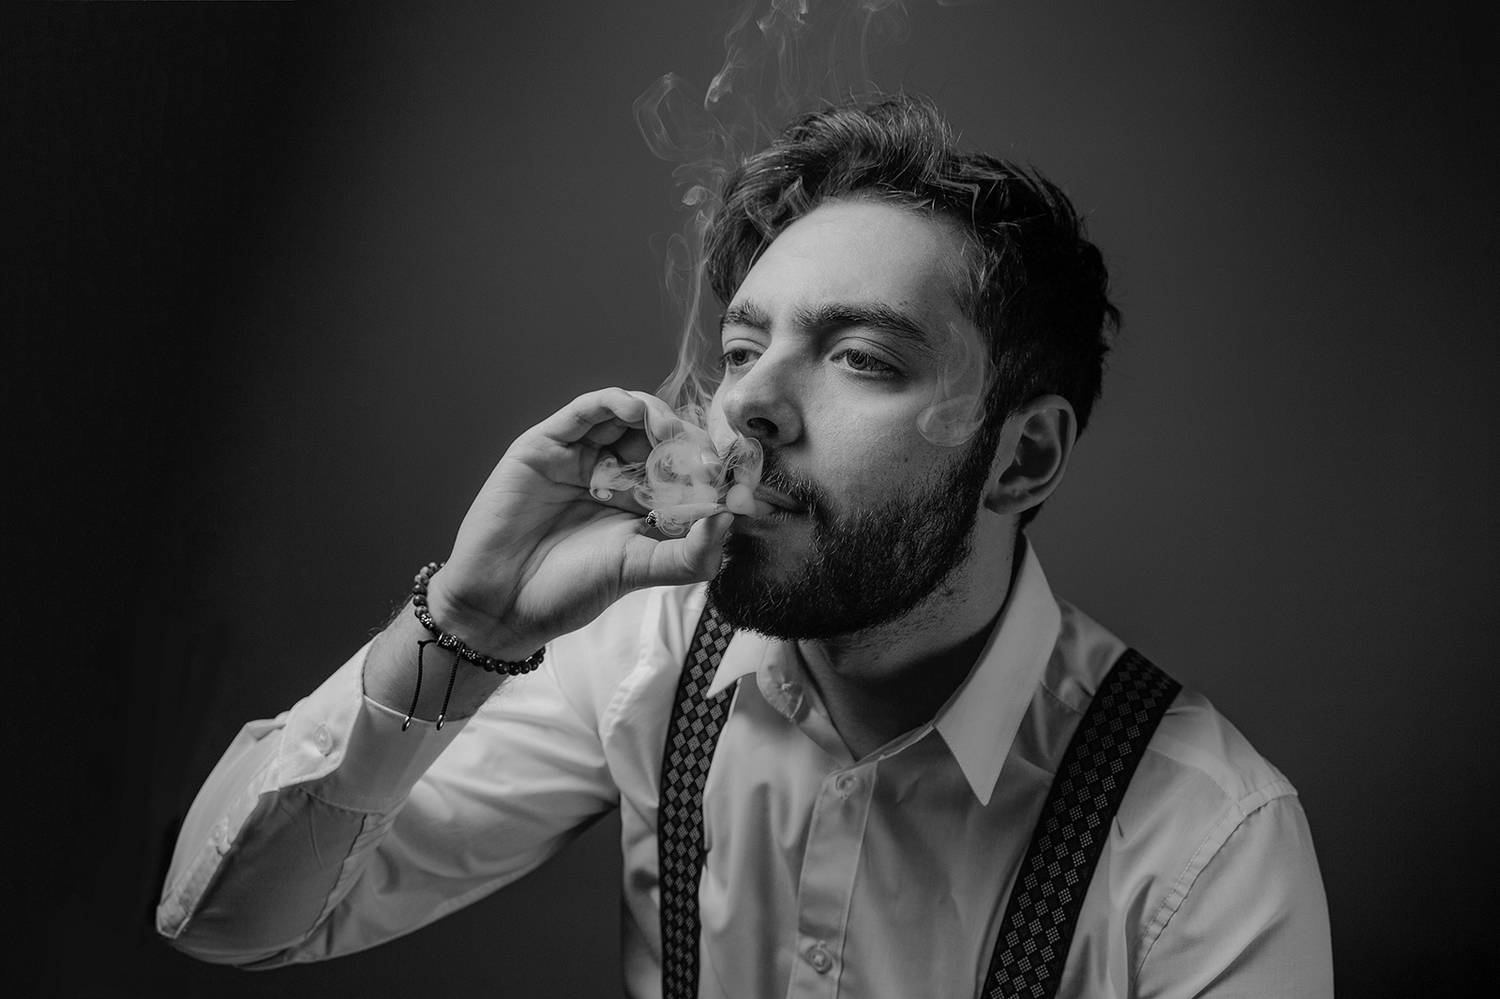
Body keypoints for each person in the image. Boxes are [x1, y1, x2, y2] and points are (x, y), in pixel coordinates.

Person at [157, 96, 1333, 997]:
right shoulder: (647, 655)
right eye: (740, 349)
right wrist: (468, 626)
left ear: (1022, 459)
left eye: (860, 357)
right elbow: (231, 922)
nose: (751, 404)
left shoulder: (1209, 842)